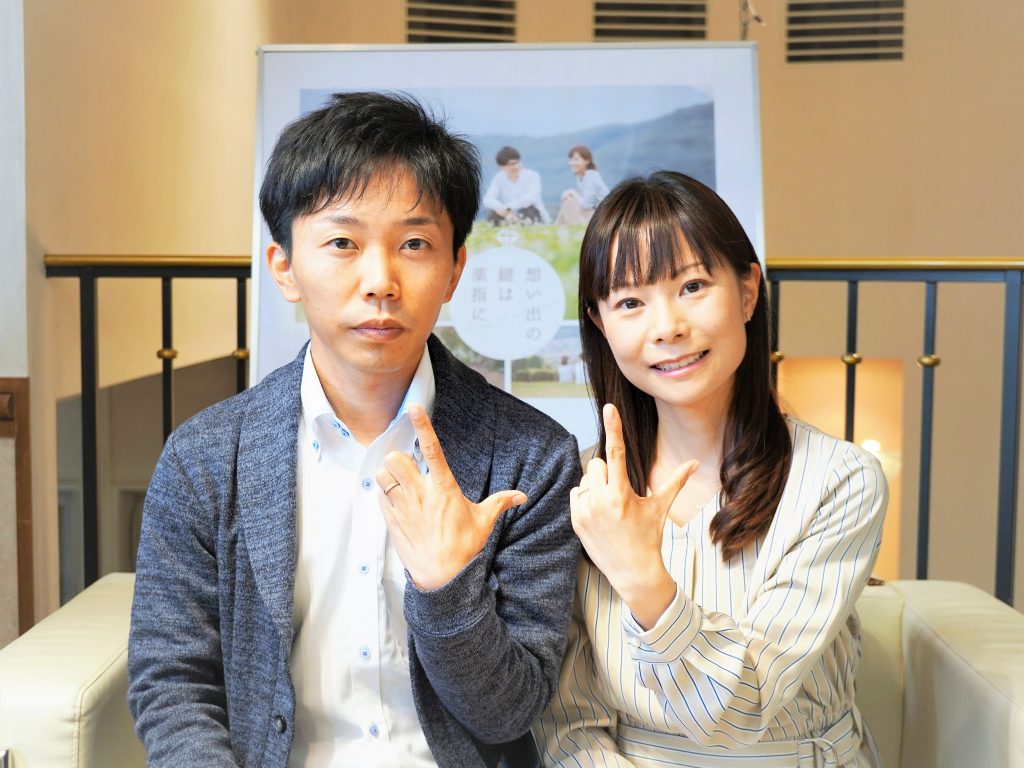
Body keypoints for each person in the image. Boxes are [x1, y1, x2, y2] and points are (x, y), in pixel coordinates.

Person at [127, 92, 582, 768]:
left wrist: (446, 587)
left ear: (455, 270)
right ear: (284, 267)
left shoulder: (533, 459)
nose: (380, 282)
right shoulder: (205, 457)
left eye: (414, 244)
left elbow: (510, 713)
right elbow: (172, 681)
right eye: (343, 242)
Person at [535, 171, 887, 767]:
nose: (668, 327)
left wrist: (643, 577)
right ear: (599, 323)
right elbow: (567, 725)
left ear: (747, 293)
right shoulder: (586, 491)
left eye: (692, 286)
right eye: (630, 302)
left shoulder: (838, 480)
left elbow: (739, 711)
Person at [482, 145, 550, 225]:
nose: (516, 166)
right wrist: (502, 210)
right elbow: (487, 199)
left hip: (531, 215)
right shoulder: (499, 177)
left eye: (518, 162)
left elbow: (530, 198)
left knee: (528, 209)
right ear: (502, 167)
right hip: (508, 216)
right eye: (512, 164)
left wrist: (508, 208)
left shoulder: (533, 176)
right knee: (494, 213)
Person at [554, 145, 609, 226]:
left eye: (576, 159)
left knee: (569, 201)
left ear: (587, 161)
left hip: (601, 218)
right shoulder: (582, 177)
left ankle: (557, 225)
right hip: (593, 214)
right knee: (569, 200)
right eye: (571, 160)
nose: (572, 163)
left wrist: (572, 192)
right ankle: (558, 226)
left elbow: (587, 205)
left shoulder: (591, 176)